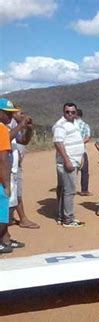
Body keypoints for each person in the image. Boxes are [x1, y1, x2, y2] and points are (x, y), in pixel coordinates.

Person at [52, 102, 85, 227]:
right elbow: (58, 143)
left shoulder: (74, 123)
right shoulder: (61, 125)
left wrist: (80, 157)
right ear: (63, 112)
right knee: (70, 191)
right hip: (68, 162)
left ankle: (62, 216)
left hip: (74, 160)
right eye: (67, 112)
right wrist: (67, 160)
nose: (70, 114)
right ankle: (68, 219)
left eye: (73, 112)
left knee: (64, 189)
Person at [0, 98, 25, 253]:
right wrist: (6, 183)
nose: (10, 116)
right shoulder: (2, 130)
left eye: (11, 113)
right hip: (2, 178)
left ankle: (5, 238)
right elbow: (2, 158)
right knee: (2, 212)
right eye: (6, 113)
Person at [8, 105, 39, 229]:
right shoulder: (6, 127)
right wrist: (21, 125)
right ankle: (22, 219)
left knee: (15, 193)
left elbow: (23, 141)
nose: (22, 116)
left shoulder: (14, 127)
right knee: (14, 193)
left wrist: (29, 129)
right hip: (7, 166)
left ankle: (9, 219)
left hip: (15, 164)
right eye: (20, 113)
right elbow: (6, 138)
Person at [75, 108, 93, 196]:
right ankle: (84, 190)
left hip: (71, 150)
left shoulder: (70, 125)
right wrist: (81, 142)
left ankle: (70, 189)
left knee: (73, 170)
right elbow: (88, 137)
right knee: (84, 170)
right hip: (82, 150)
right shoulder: (85, 125)